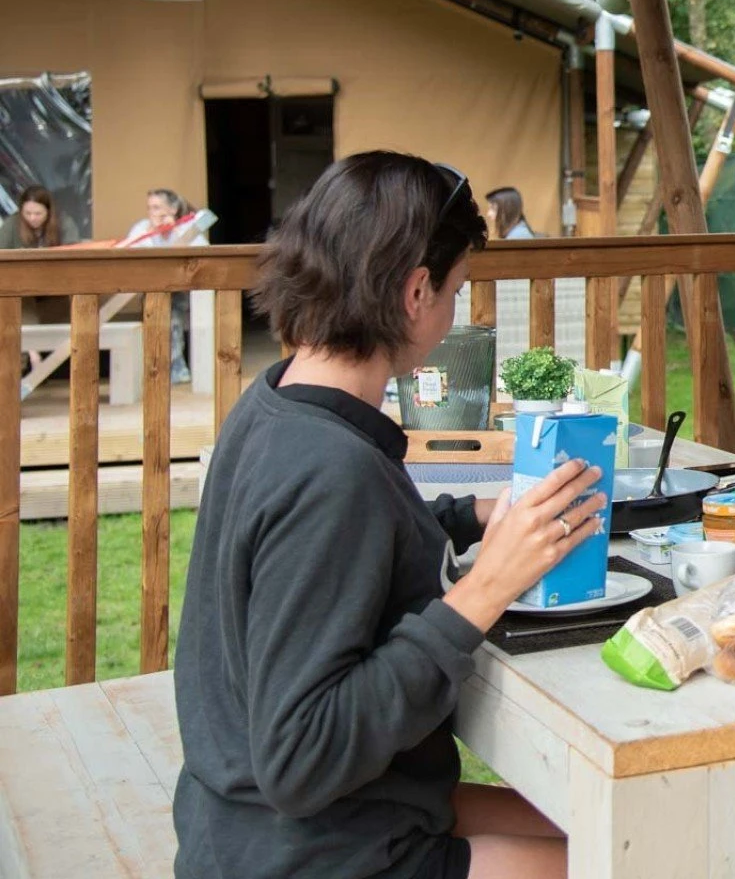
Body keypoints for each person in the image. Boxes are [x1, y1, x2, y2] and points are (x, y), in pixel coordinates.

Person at [173, 153, 599, 879]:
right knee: (685, 858)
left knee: (635, 822)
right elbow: (301, 758)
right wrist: (483, 589)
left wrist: (472, 515)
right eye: (456, 290)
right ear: (415, 291)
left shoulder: (278, 404)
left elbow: (339, 544)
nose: (454, 309)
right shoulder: (331, 471)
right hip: (315, 852)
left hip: (272, 822)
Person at [125, 189, 208, 383]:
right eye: (150, 208)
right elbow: (129, 251)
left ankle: (176, 366)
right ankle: (160, 367)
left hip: (185, 289)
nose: (152, 212)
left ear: (173, 209)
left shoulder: (186, 227)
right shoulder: (142, 228)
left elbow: (204, 252)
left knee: (174, 314)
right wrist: (153, 233)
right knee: (159, 313)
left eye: (157, 207)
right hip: (152, 288)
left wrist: (176, 231)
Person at [0, 185, 81, 249]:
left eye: (38, 213)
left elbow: (73, 251)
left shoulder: (64, 223)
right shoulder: (12, 224)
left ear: (49, 211)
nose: (32, 218)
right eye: (27, 213)